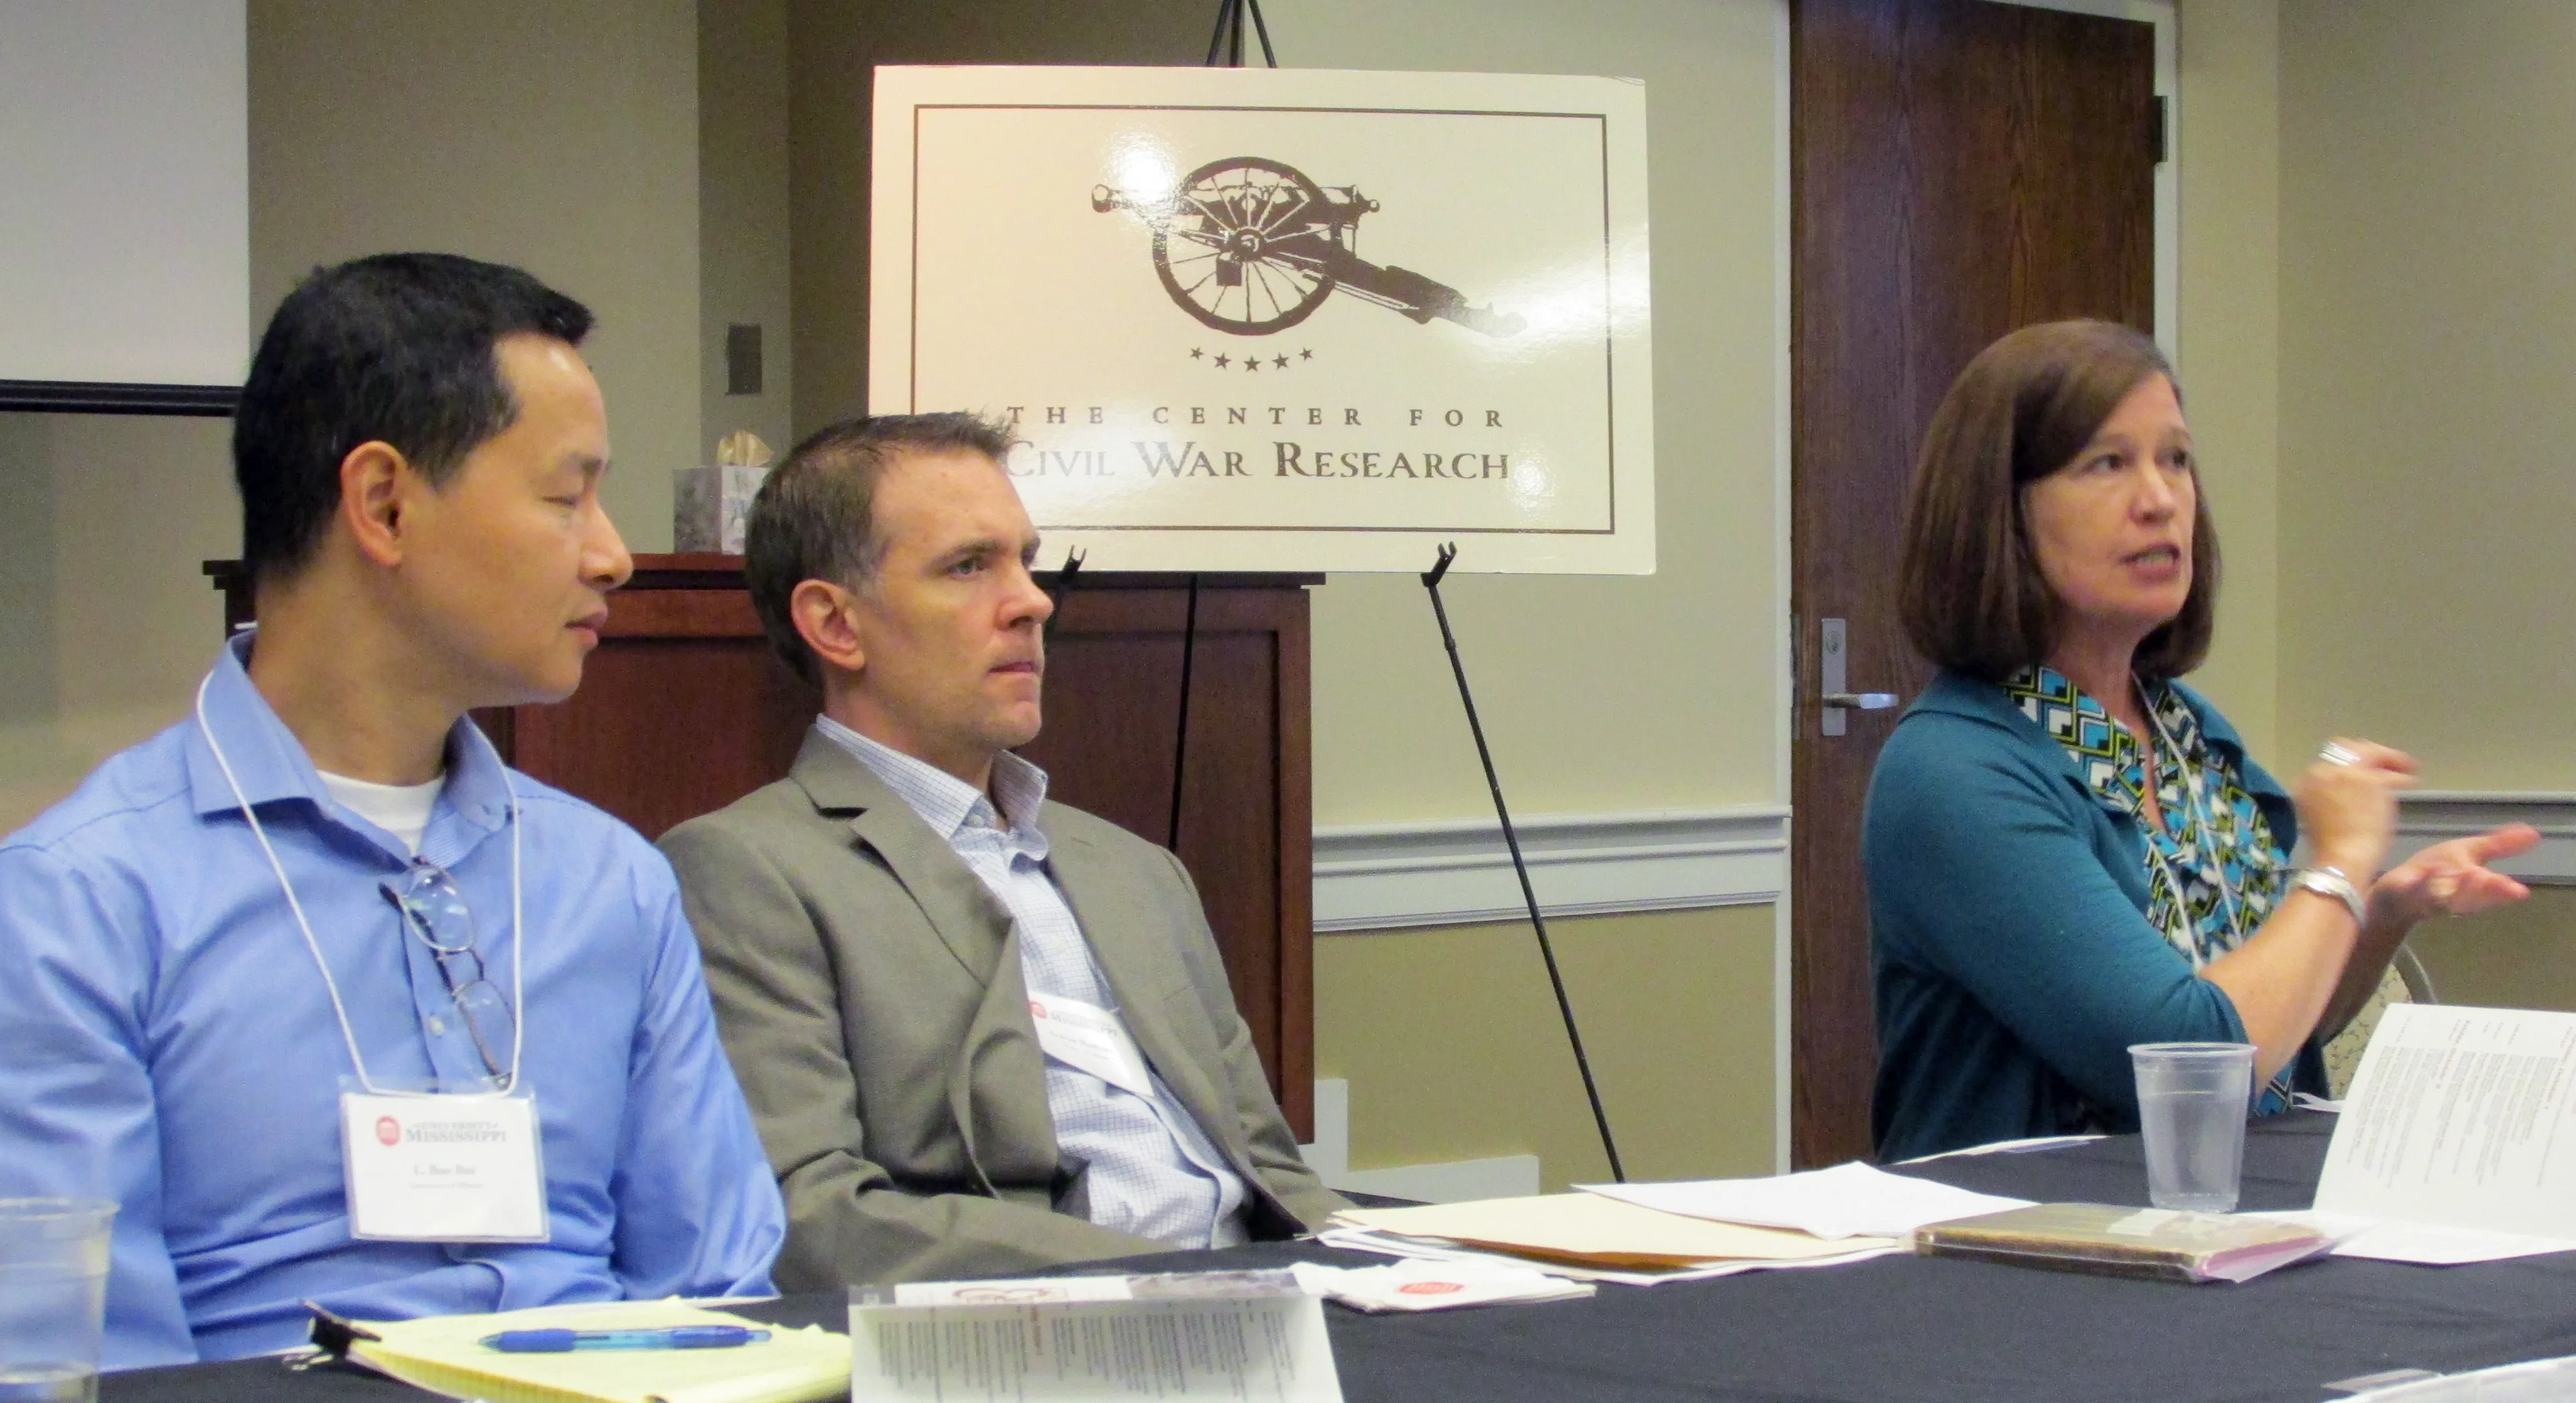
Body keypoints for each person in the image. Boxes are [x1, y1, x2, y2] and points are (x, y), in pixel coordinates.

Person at [0, 254, 785, 1367]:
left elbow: (720, 1292)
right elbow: (77, 1366)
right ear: (384, 503)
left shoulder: (609, 880)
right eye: (566, 497)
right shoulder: (78, 900)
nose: (612, 554)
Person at [660, 413, 1344, 1289]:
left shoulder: (1137, 871)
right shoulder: (750, 871)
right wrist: (1171, 1278)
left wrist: (1401, 1276)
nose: (1033, 599)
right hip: (1051, 1335)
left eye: (1026, 557)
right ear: (836, 623)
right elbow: (809, 1217)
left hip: (1279, 1313)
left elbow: (1269, 1168)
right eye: (970, 565)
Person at [1865, 318, 2536, 1162]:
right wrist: (2334, 864)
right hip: (2019, 1251)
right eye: (2107, 463)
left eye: (2176, 459)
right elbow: (2187, 1061)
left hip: (2211, 1222)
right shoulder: (1956, 770)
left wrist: (2381, 908)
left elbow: (2273, 1032)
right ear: (2001, 512)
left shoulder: (2187, 732)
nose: (2160, 498)